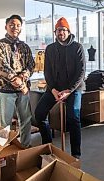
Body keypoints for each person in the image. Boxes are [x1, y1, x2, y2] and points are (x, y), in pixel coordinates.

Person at [35, 17, 86, 158]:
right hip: (54, 89)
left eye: (63, 30)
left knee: (73, 117)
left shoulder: (77, 47)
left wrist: (69, 91)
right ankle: (48, 146)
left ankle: (76, 154)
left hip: (74, 89)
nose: (61, 32)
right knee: (39, 114)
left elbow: (81, 72)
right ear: (55, 32)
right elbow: (47, 72)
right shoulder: (50, 49)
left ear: (68, 31)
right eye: (58, 30)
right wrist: (53, 90)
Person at [0, 14, 35, 148]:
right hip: (6, 90)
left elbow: (31, 65)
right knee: (5, 123)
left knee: (26, 120)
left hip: (23, 91)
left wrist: (23, 78)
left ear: (21, 28)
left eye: (18, 25)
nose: (14, 27)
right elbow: (2, 67)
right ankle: (5, 150)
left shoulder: (25, 46)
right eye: (11, 25)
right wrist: (21, 83)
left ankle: (25, 147)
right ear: (6, 26)